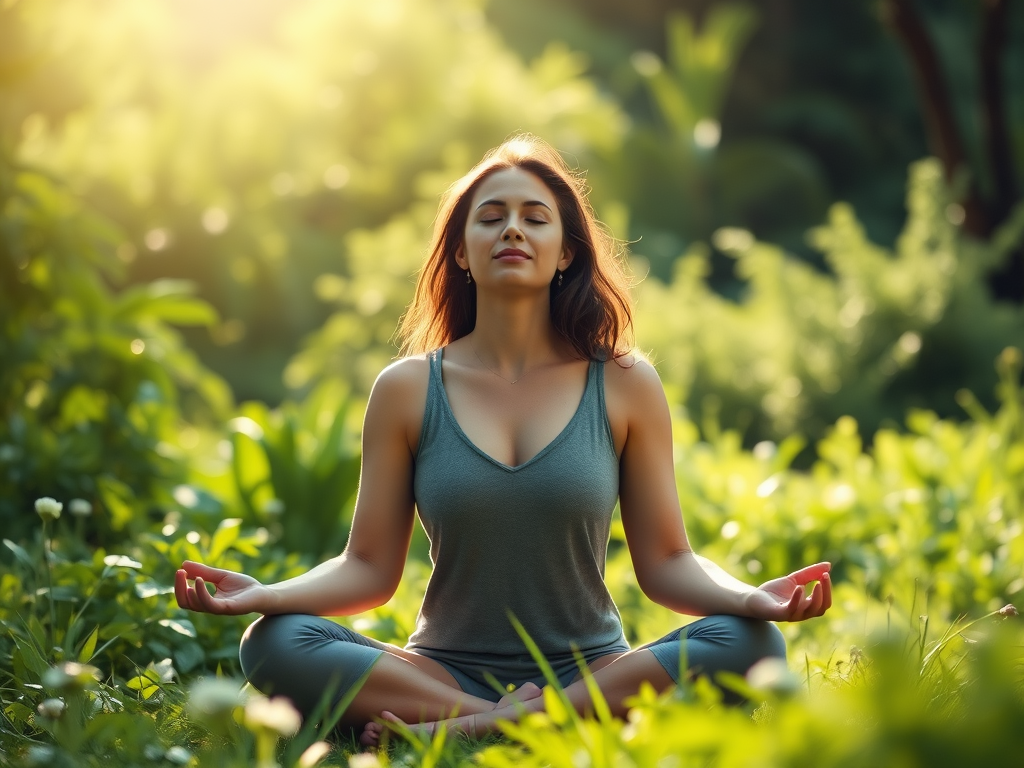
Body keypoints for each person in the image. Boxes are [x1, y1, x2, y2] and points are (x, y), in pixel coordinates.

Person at [174, 135, 831, 746]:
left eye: (535, 217)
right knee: (273, 642)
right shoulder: (406, 389)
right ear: (461, 250)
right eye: (490, 216)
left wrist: (749, 599)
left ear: (566, 251)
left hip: (591, 671)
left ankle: (460, 732)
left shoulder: (625, 383)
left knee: (751, 644)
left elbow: (667, 562)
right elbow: (368, 570)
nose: (512, 227)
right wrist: (266, 595)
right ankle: (518, 725)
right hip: (441, 675)